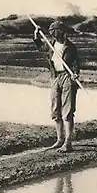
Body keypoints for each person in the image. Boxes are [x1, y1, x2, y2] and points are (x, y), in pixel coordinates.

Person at [33, 20, 80, 152]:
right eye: (53, 33)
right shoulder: (51, 44)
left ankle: (68, 143)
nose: (54, 35)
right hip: (55, 77)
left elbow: (76, 63)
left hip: (67, 77)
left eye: (57, 32)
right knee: (55, 110)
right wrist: (36, 35)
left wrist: (75, 74)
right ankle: (59, 140)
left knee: (68, 111)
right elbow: (41, 47)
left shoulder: (71, 47)